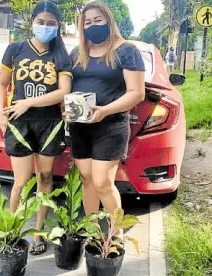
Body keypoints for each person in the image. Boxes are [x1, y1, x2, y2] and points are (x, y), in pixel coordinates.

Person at [0, 1, 72, 255]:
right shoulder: (15, 49)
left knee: (45, 178)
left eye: (51, 23)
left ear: (58, 26)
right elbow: (2, 84)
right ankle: (13, 231)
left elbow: (63, 91)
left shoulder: (61, 56)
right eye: (41, 21)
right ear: (32, 22)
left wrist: (28, 102)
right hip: (20, 125)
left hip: (50, 124)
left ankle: (38, 231)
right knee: (20, 182)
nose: (45, 27)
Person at [66, 1, 145, 239]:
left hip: (110, 127)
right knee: (87, 179)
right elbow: (67, 87)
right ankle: (92, 230)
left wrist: (104, 110)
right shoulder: (77, 53)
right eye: (87, 22)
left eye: (97, 20)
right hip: (80, 126)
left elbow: (136, 93)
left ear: (109, 21)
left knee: (102, 183)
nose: (92, 25)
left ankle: (116, 234)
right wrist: (65, 106)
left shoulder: (127, 51)